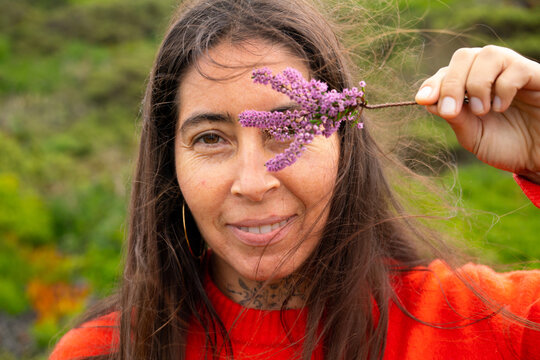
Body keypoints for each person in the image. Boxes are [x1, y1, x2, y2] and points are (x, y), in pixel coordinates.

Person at [50, 0, 540, 359]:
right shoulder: (104, 350)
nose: (254, 182)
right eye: (211, 139)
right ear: (169, 163)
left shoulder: (480, 325)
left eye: (289, 131)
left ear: (346, 147)